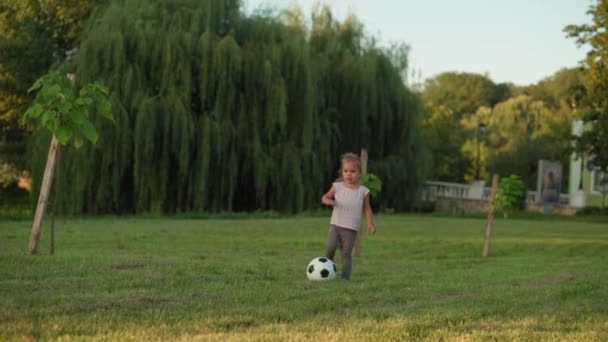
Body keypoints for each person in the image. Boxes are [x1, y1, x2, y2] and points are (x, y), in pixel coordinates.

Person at [321, 152, 376, 280]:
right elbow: (324, 197)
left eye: (353, 171)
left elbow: (367, 209)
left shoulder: (363, 191)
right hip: (335, 225)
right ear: (342, 172)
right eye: (346, 171)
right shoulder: (337, 187)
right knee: (329, 248)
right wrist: (328, 201)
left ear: (359, 173)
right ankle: (328, 272)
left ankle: (345, 278)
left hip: (351, 229)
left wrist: (370, 223)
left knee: (346, 253)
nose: (349, 174)